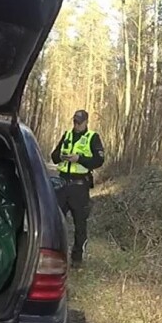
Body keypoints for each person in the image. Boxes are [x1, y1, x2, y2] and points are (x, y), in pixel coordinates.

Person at [50, 109, 104, 268]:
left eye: (79, 122)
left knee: (80, 224)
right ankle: (53, 255)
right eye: (75, 121)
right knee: (54, 221)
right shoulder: (67, 135)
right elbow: (54, 156)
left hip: (80, 187)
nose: (76, 125)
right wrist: (62, 156)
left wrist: (79, 159)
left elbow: (99, 160)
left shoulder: (92, 137)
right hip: (62, 184)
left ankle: (77, 259)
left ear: (86, 122)